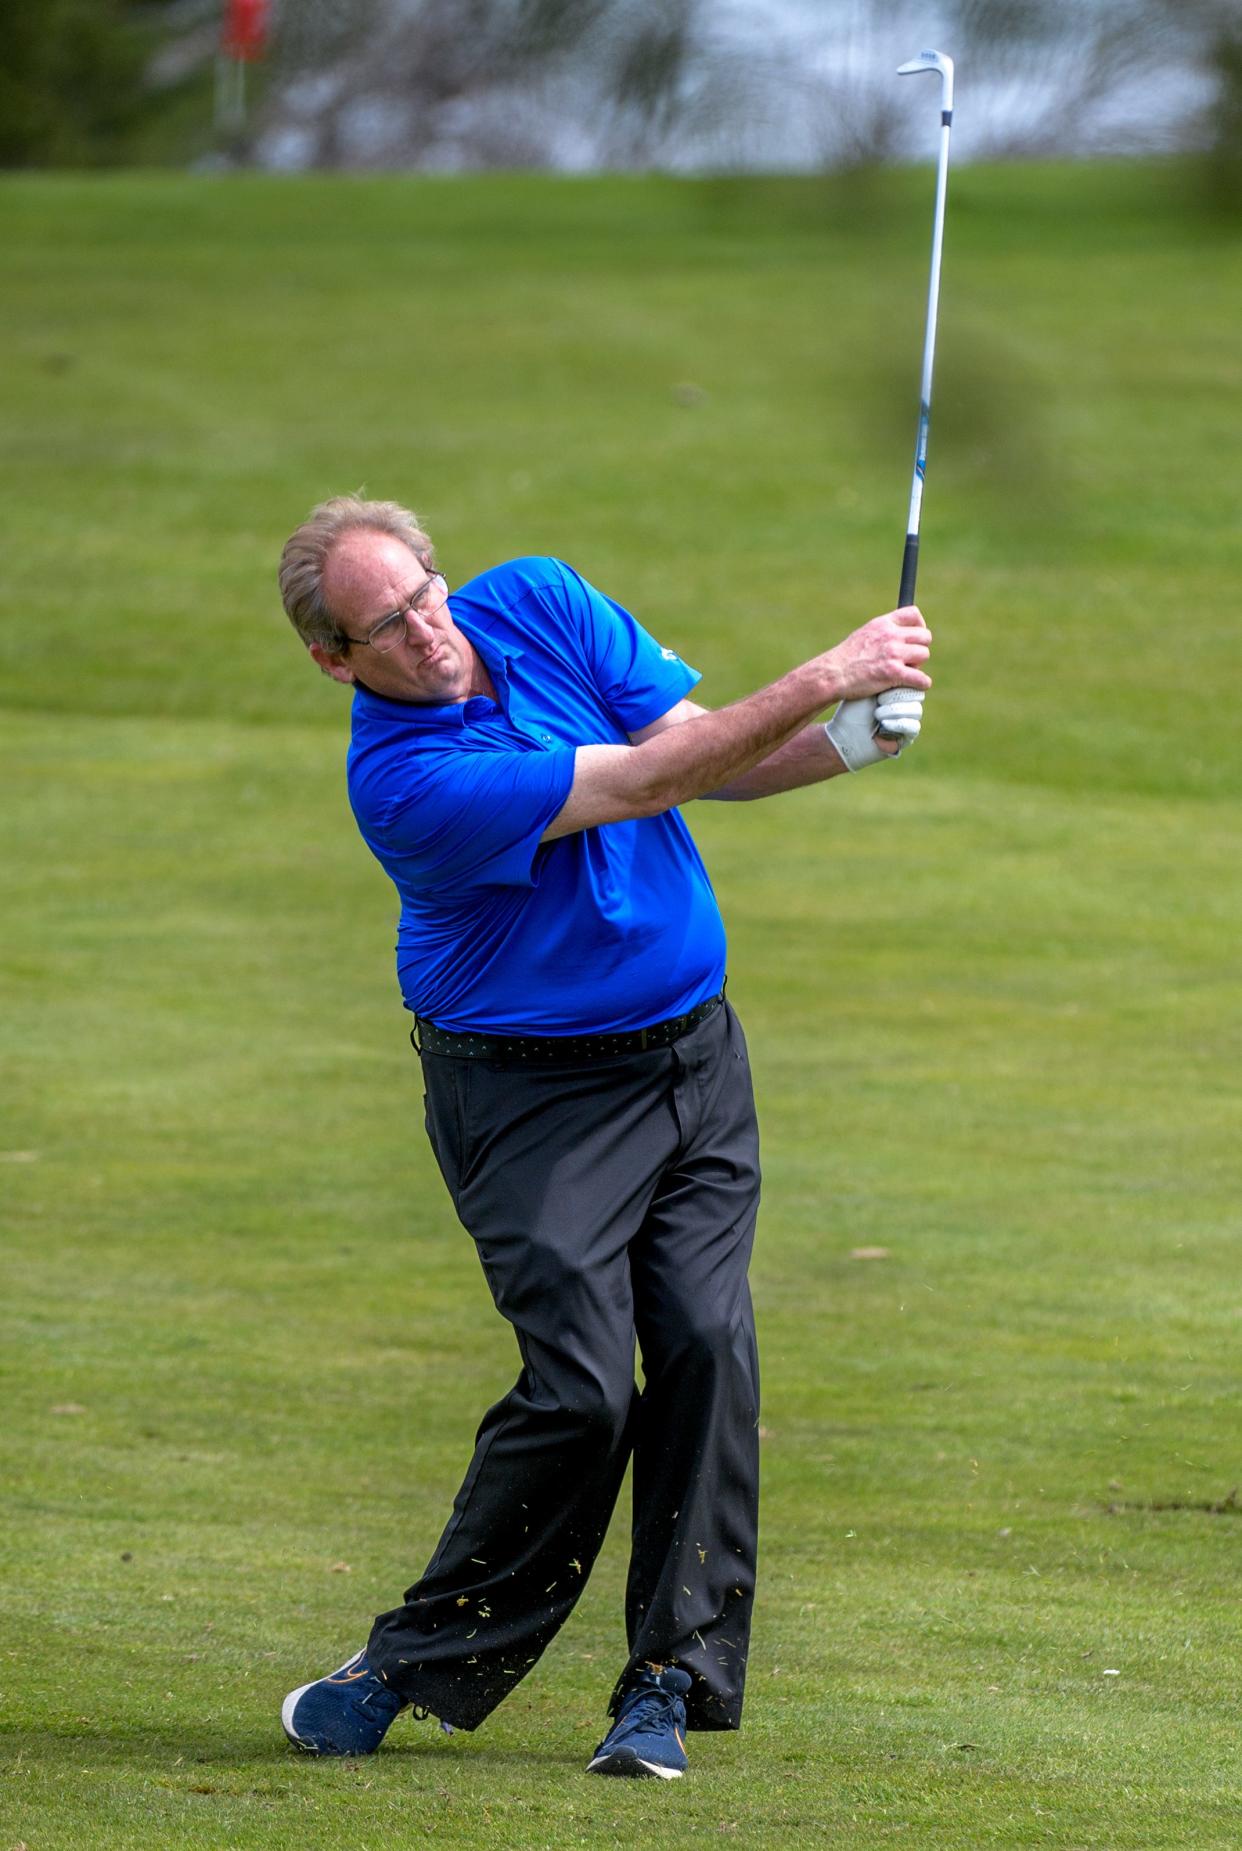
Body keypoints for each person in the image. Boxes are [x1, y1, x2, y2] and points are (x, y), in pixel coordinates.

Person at [274, 495, 932, 1780]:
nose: (428, 636)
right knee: (577, 1389)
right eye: (385, 629)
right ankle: (412, 1662)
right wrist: (827, 673)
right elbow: (646, 782)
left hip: (692, 1060)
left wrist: (849, 742)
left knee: (703, 1343)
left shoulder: (536, 601)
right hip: (531, 1102)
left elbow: (701, 749)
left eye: (425, 597)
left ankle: (663, 1691)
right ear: (334, 660)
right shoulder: (405, 782)